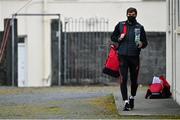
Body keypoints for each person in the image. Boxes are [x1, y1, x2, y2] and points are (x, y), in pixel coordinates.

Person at [111, 7, 148, 111]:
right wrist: (119, 38)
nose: (130, 15)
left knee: (134, 80)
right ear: (126, 14)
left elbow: (145, 42)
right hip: (122, 56)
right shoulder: (120, 25)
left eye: (133, 14)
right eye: (129, 14)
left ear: (136, 15)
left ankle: (132, 97)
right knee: (123, 79)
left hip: (134, 57)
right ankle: (126, 102)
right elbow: (113, 37)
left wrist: (141, 44)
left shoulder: (139, 27)